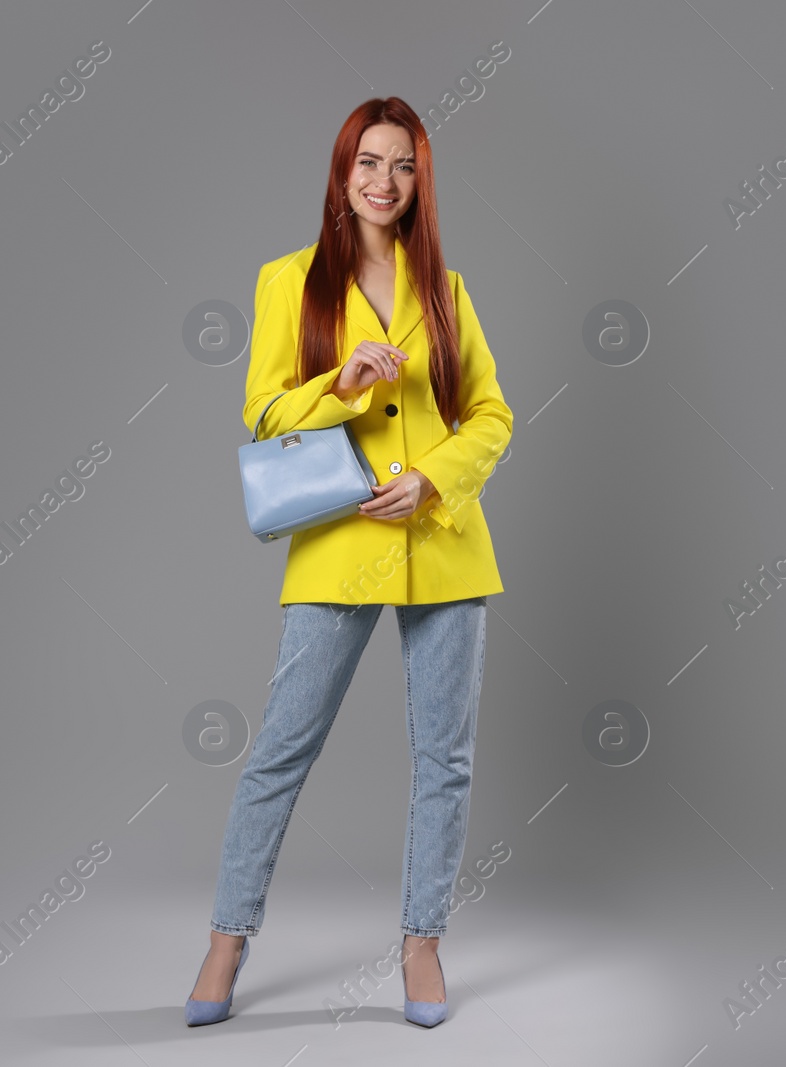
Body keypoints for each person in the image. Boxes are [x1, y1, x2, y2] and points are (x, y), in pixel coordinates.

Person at [186, 97, 512, 1029]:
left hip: (444, 546)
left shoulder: (447, 291)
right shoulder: (289, 281)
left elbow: (492, 414)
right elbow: (262, 415)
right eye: (368, 162)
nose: (383, 181)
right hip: (338, 544)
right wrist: (342, 384)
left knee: (443, 758)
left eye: (403, 166)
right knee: (283, 748)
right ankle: (225, 938)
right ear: (342, 172)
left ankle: (422, 944)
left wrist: (434, 482)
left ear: (420, 182)